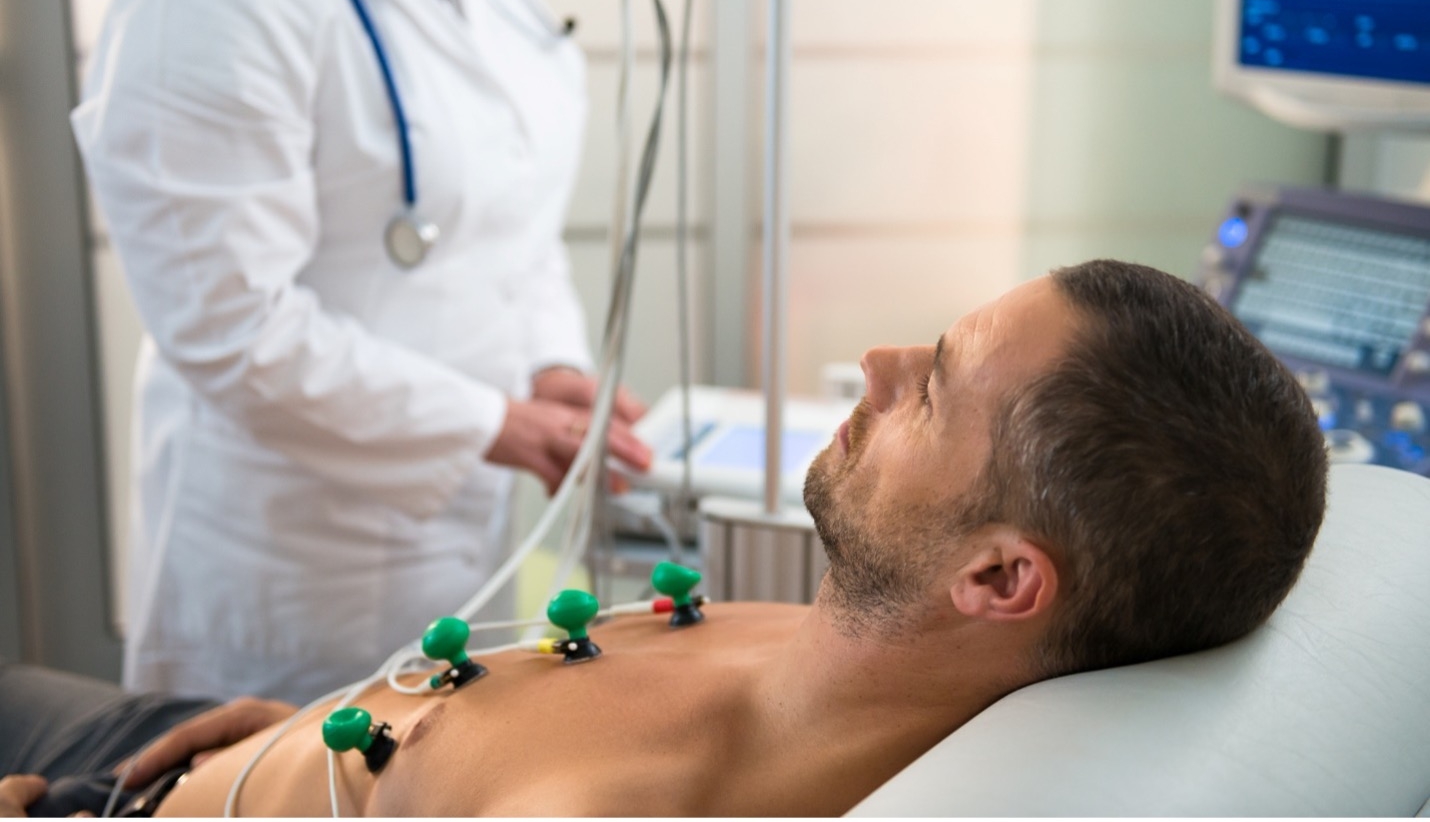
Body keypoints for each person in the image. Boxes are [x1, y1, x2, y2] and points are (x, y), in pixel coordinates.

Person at [0, 261, 1327, 816]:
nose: (872, 362)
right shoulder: (839, 640)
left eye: (930, 383)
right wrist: (332, 732)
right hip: (234, 735)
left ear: (996, 575)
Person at [70, 0, 652, 706]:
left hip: (458, 542)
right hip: (294, 568)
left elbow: (509, 217)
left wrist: (549, 364)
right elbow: (232, 328)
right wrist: (497, 426)